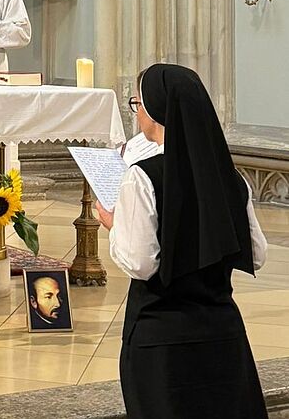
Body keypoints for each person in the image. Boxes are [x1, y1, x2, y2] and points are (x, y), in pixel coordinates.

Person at [95, 63, 268, 419]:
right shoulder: (231, 178)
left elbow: (142, 263)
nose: (136, 112)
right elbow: (257, 253)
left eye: (137, 103)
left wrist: (115, 226)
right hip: (222, 335)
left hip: (162, 341)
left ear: (157, 110)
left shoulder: (142, 177)